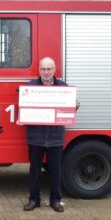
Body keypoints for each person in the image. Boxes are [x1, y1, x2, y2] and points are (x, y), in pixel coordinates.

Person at [23, 57, 78, 212]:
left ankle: (56, 200)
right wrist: (23, 114)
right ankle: (34, 200)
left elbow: (66, 112)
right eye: (43, 69)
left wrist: (74, 107)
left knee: (55, 169)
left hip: (55, 137)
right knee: (35, 169)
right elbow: (24, 109)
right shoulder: (30, 88)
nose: (46, 72)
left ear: (54, 70)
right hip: (36, 137)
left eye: (49, 69)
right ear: (38, 70)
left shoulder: (63, 87)